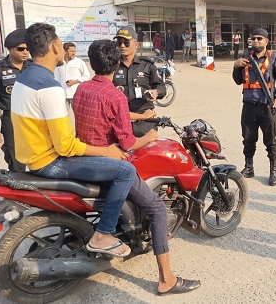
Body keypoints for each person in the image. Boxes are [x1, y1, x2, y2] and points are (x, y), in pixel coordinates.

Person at [73, 39, 201, 295]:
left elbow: (113, 113)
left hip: (83, 157)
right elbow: (128, 142)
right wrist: (149, 138)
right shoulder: (116, 96)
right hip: (109, 162)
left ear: (91, 63)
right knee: (156, 209)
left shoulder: (81, 89)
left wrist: (141, 117)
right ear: (117, 63)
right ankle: (167, 279)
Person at [11, 23, 134, 257]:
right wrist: (107, 152)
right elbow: (66, 146)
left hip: (31, 158)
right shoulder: (49, 88)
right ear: (55, 46)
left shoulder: (24, 77)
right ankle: (104, 234)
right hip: (50, 162)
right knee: (125, 171)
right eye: (60, 43)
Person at [232, 28, 276, 186]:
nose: (256, 41)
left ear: (266, 41)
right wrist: (236, 66)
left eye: (259, 38)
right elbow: (238, 81)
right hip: (249, 106)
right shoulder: (245, 58)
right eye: (253, 38)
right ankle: (249, 167)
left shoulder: (274, 59)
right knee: (248, 138)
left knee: (271, 140)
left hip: (267, 107)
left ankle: (273, 170)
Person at [0, 29, 31, 172]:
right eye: (21, 49)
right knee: (16, 160)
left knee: (40, 161)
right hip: (12, 120)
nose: (25, 52)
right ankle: (17, 193)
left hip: (35, 119)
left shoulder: (34, 67)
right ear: (9, 48)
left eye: (28, 49)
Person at [112, 26, 166, 137]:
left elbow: (161, 87)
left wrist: (156, 92)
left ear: (136, 44)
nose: (122, 46)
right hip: (120, 123)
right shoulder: (112, 66)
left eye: (126, 43)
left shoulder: (147, 65)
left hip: (145, 123)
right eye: (119, 43)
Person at [54, 42, 91, 128]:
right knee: (62, 117)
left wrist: (75, 81)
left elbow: (87, 76)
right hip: (62, 94)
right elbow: (55, 76)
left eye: (74, 51)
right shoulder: (59, 63)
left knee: (79, 117)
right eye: (71, 51)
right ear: (65, 51)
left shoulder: (79, 62)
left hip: (75, 94)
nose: (73, 53)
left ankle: (79, 135)